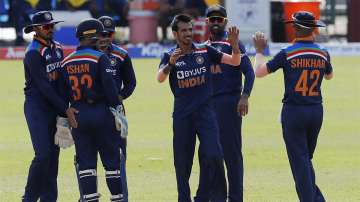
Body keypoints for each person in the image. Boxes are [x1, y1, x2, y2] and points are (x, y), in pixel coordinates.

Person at [157, 14, 241, 202]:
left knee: (214, 155)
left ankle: (219, 198)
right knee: (183, 164)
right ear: (175, 33)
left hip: (206, 114)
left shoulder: (205, 51)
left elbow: (235, 62)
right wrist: (171, 63)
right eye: (184, 30)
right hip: (183, 116)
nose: (188, 33)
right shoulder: (169, 55)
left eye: (190, 29)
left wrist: (234, 46)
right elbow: (159, 78)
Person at [253, 11, 333, 202]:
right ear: (313, 30)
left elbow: (259, 72)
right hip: (316, 111)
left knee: (300, 162)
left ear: (295, 29)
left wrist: (258, 51)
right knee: (304, 160)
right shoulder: (323, 52)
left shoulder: (287, 53)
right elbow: (329, 76)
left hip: (294, 112)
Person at [60, 18, 127, 202]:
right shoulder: (100, 58)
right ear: (92, 38)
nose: (101, 41)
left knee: (86, 165)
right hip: (102, 114)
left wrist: (63, 119)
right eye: (99, 37)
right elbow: (111, 91)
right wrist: (118, 113)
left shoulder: (66, 62)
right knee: (112, 164)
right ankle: (117, 198)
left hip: (78, 117)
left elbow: (63, 94)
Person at [22, 10, 77, 202]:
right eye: (47, 26)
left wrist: (70, 104)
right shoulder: (33, 53)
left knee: (53, 159)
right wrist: (66, 109)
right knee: (43, 155)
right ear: (36, 29)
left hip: (55, 107)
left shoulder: (58, 48)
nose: (51, 29)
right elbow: (44, 87)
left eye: (52, 25)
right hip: (37, 107)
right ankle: (28, 198)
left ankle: (49, 199)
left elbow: (63, 80)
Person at [205, 5, 255, 202]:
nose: (216, 22)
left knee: (232, 153)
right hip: (208, 106)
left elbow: (249, 72)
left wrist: (245, 96)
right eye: (212, 19)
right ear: (207, 22)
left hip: (229, 103)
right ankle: (217, 196)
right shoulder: (204, 46)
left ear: (225, 21)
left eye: (220, 19)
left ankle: (235, 198)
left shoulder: (233, 44)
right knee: (211, 153)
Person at [98, 15, 137, 202]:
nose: (105, 37)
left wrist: (118, 98)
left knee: (119, 157)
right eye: (102, 33)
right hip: (91, 112)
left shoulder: (121, 55)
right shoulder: (87, 54)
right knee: (87, 158)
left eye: (109, 33)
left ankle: (122, 198)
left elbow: (131, 83)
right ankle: (88, 196)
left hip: (117, 113)